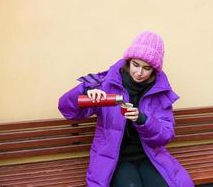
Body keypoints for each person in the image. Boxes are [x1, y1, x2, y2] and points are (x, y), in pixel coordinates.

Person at [58, 31, 194, 187]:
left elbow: (165, 136)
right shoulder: (106, 83)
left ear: (154, 70)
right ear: (128, 61)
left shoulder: (160, 92)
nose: (139, 72)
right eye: (135, 64)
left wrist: (143, 120)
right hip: (115, 159)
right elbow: (67, 110)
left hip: (149, 156)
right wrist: (84, 92)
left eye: (146, 68)